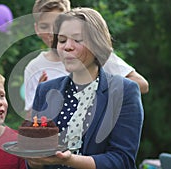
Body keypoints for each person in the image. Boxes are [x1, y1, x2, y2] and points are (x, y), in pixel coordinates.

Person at [26, 7, 144, 169]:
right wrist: (34, 159)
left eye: (78, 39)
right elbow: (33, 159)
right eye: (62, 40)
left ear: (97, 44)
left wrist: (68, 160)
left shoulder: (124, 91)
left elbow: (122, 161)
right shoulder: (45, 90)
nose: (67, 46)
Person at [24, 0, 149, 114]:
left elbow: (141, 85)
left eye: (57, 24)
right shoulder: (34, 68)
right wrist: (41, 98)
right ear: (36, 28)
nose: (52, 32)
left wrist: (97, 88)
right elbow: (31, 120)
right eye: (45, 26)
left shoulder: (94, 54)